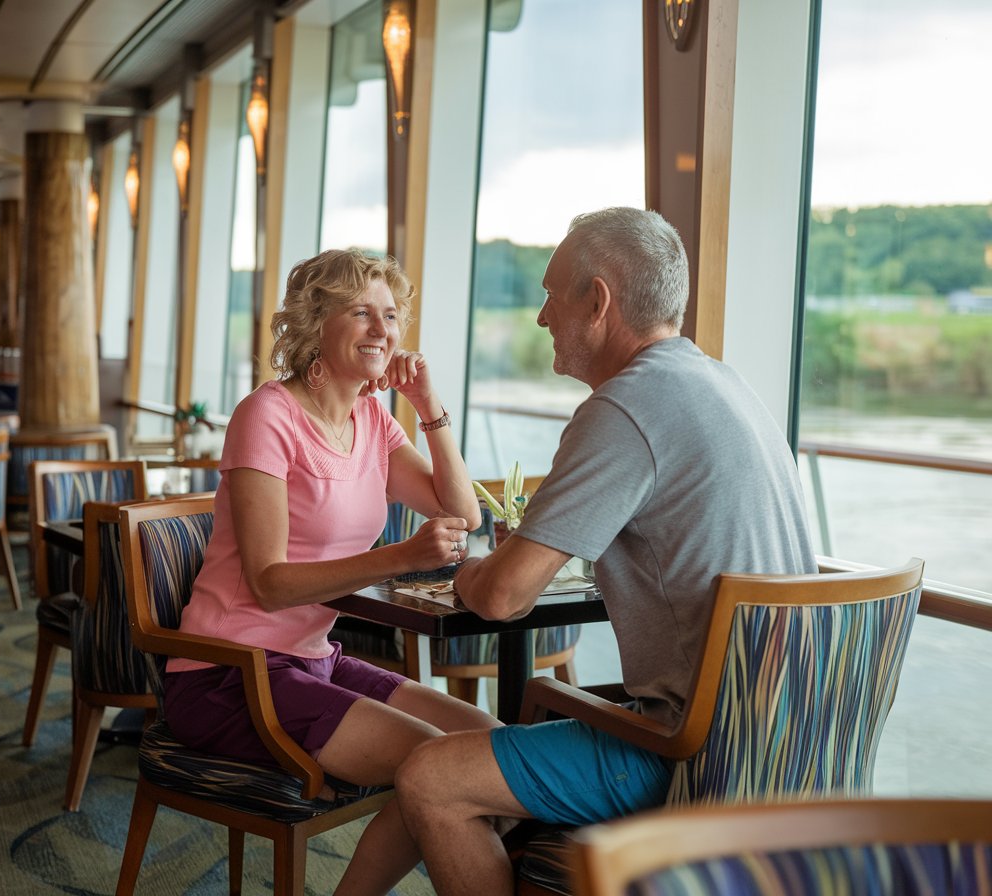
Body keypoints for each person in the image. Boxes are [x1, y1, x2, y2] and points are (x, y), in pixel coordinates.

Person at [394, 207, 816, 896]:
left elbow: (504, 596)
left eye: (550, 296)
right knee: (520, 728)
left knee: (431, 777)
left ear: (598, 300)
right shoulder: (725, 383)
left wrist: (466, 574)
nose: (540, 319)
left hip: (698, 756)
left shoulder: (626, 407)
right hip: (792, 746)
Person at [163, 248, 499, 895]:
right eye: (361, 313)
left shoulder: (372, 418)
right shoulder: (267, 415)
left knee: (490, 743)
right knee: (443, 766)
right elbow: (268, 582)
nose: (382, 329)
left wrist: (427, 406)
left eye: (391, 315)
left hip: (312, 657)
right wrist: (403, 555)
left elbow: (463, 514)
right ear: (318, 323)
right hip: (227, 670)